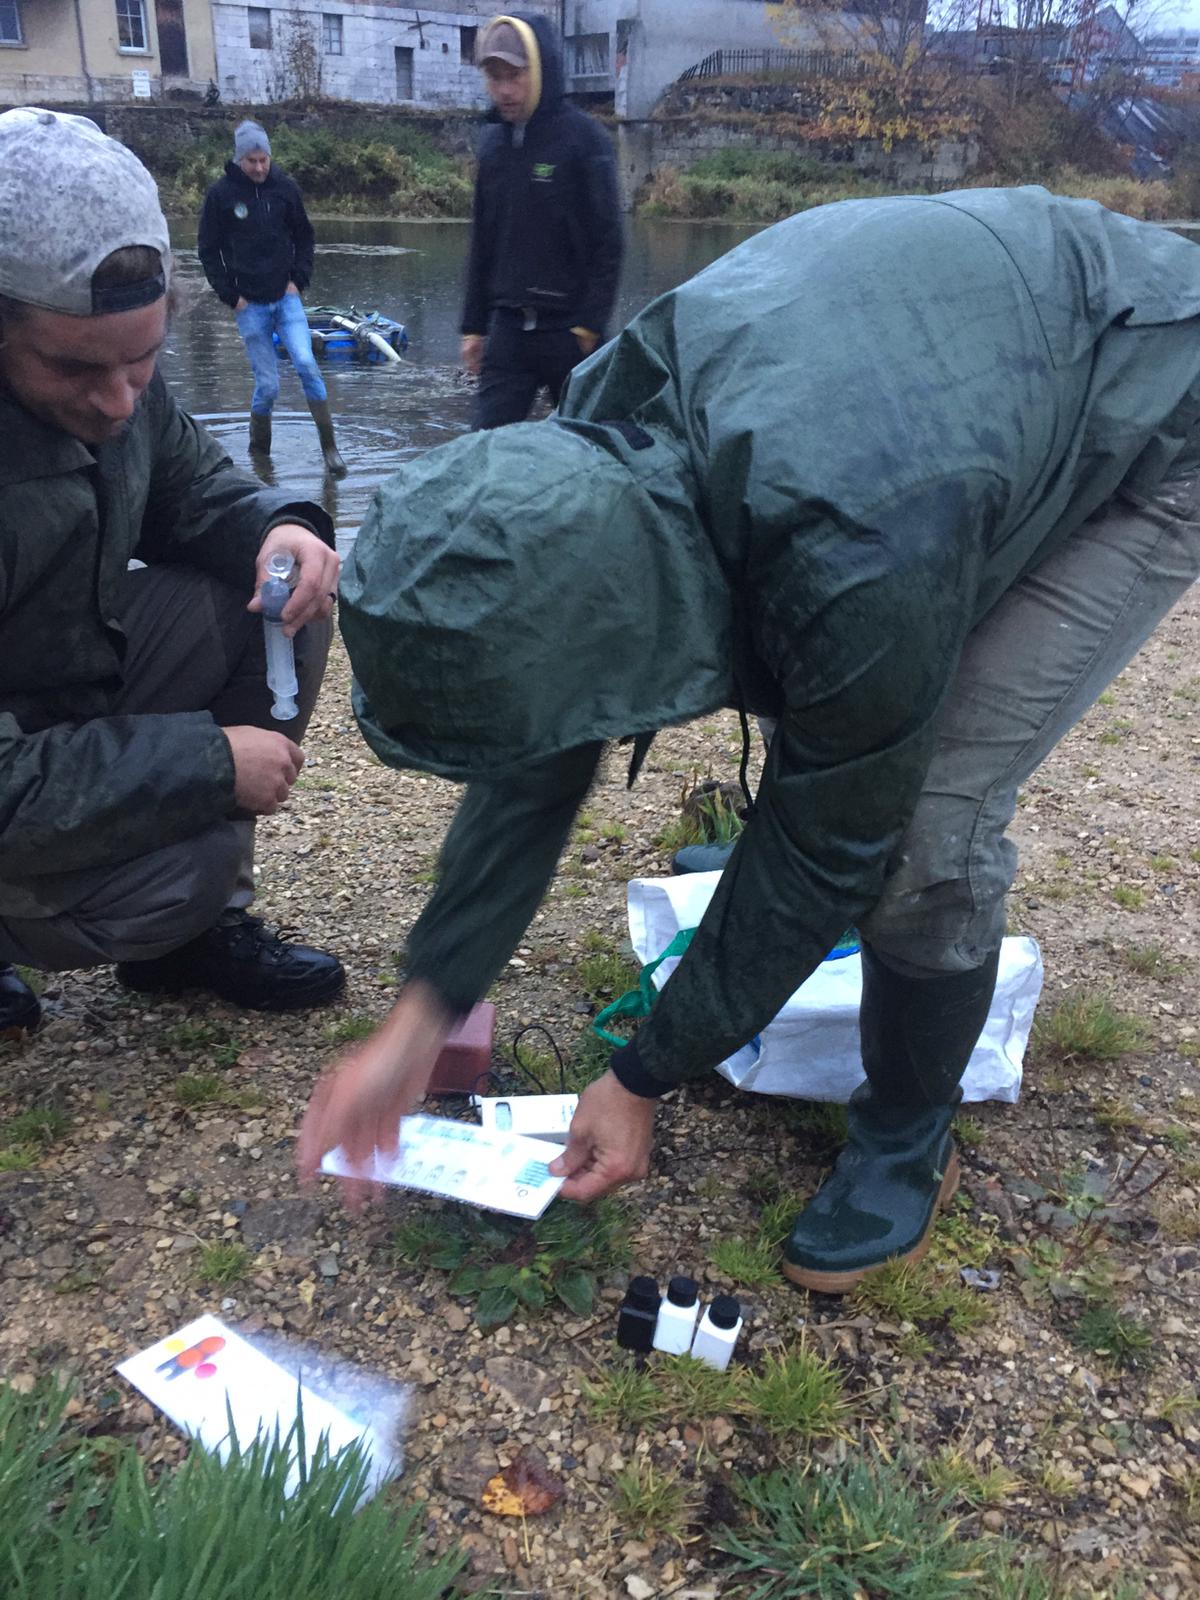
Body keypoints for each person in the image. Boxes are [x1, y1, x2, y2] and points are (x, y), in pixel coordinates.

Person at [299, 187, 1200, 1293]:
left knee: (922, 819)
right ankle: (771, 909)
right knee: (840, 701)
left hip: (1152, 394)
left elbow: (835, 840)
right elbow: (544, 735)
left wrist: (642, 1076)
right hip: (938, 383)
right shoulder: (589, 433)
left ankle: (908, 1131)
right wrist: (423, 1010)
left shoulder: (857, 548)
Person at [0, 107, 346, 1032]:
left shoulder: (119, 390)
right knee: (184, 868)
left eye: (144, 360)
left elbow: (195, 491)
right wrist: (208, 763)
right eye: (78, 370)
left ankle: (187, 939)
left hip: (64, 694)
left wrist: (280, 527)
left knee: (281, 602)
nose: (119, 401)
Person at [460, 13, 623, 430]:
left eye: (515, 75)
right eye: (495, 77)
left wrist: (590, 324)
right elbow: (483, 241)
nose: (504, 90)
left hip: (571, 331)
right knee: (483, 448)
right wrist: (474, 327)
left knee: (591, 447)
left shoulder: (585, 140)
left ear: (541, 69)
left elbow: (609, 241)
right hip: (508, 331)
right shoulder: (493, 144)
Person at [198, 120, 346, 477]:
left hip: (286, 298)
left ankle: (330, 450)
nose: (259, 167)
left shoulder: (285, 189)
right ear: (240, 159)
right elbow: (208, 251)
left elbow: (305, 237)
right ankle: (259, 455)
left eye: (263, 160)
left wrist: (298, 280)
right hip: (248, 305)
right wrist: (231, 296)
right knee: (267, 386)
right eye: (252, 161)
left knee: (307, 364)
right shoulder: (220, 195)